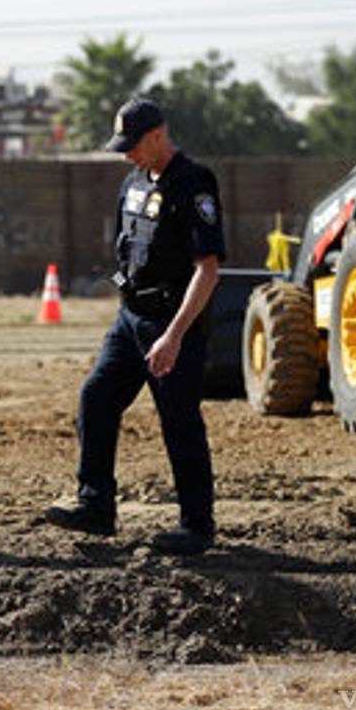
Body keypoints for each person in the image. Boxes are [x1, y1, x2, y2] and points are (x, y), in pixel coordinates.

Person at [45, 98, 225, 555]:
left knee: (180, 422)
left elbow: (207, 269)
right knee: (96, 399)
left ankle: (196, 526)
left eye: (133, 145)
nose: (126, 154)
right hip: (129, 319)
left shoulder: (194, 184)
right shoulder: (133, 182)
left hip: (171, 323)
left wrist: (175, 335)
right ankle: (96, 506)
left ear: (158, 136)